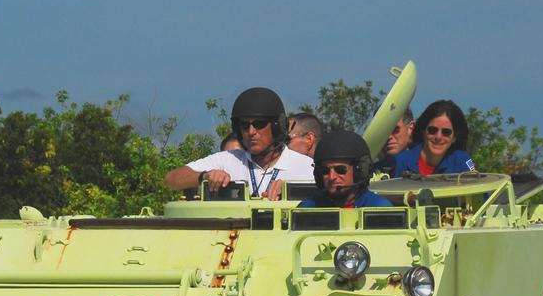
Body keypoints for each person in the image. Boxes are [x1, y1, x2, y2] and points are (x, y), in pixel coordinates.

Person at [163, 87, 314, 200]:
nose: (251, 131)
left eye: (259, 124)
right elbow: (170, 180)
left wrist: (294, 189)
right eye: (244, 125)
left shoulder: (307, 167)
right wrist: (205, 176)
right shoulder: (227, 159)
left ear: (277, 126)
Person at [297, 130, 393, 209]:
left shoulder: (380, 208)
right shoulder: (308, 209)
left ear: (359, 171)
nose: (331, 177)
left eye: (340, 170)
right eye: (325, 171)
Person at [393, 99, 476, 177]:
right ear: (423, 132)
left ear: (454, 137)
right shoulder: (400, 162)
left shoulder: (463, 160)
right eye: (432, 130)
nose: (438, 137)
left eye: (446, 132)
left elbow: (479, 187)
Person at [373, 105, 414, 173]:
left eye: (395, 129)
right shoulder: (369, 174)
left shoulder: (428, 167)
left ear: (410, 128)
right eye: (383, 131)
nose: (388, 137)